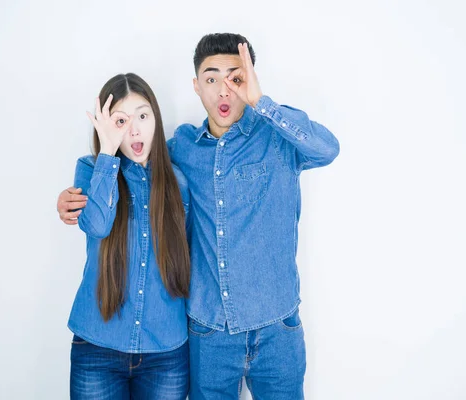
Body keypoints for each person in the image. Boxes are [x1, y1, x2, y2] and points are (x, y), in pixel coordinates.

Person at [58, 33, 340, 399]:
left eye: (235, 79)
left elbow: (328, 149)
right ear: (196, 86)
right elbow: (129, 175)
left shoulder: (276, 137)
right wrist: (75, 194)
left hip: (276, 325)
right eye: (211, 79)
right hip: (209, 332)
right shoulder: (181, 151)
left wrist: (261, 102)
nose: (224, 91)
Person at [66, 73, 191, 399]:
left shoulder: (179, 183)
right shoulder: (91, 169)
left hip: (165, 352)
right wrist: (107, 151)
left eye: (143, 116)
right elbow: (97, 226)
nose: (134, 129)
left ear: (156, 119)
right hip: (98, 347)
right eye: (120, 121)